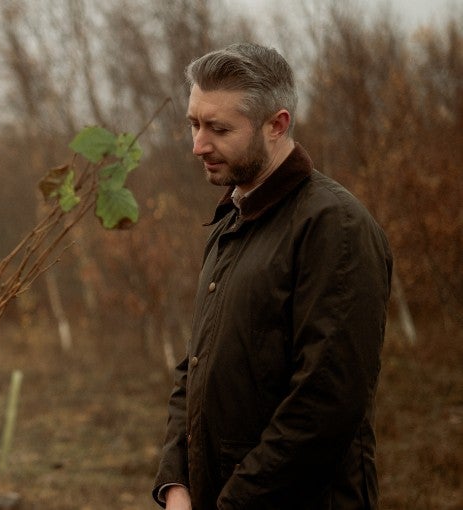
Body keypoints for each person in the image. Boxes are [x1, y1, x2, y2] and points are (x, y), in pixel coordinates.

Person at [152, 42, 392, 509]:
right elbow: (195, 369)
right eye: (194, 124)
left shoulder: (334, 226)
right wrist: (175, 484)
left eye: (218, 128)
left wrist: (231, 503)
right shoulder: (230, 219)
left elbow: (325, 406)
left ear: (276, 125)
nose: (197, 145)